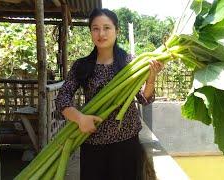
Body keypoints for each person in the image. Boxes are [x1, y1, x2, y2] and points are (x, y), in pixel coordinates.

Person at [55, 8, 164, 180]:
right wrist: (79, 118)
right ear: (90, 32)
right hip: (92, 141)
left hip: (126, 142)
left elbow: (143, 99)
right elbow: (62, 98)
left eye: (107, 27)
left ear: (116, 31)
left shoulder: (130, 63)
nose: (101, 33)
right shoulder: (81, 65)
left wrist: (151, 79)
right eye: (95, 28)